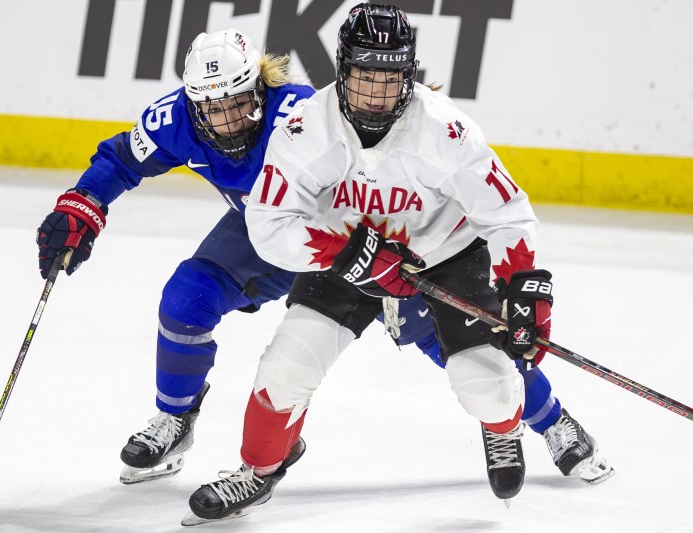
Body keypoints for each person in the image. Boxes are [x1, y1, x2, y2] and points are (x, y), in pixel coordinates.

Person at [34, 25, 609, 504]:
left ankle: (543, 418)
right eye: (212, 107)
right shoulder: (188, 120)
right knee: (192, 304)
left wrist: (494, 274)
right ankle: (179, 421)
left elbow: (468, 197)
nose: (227, 120)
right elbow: (125, 160)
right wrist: (82, 203)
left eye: (239, 101)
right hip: (299, 237)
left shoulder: (308, 114)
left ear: (260, 87)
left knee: (467, 354)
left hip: (381, 241)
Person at [182, 4, 600, 525]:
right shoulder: (305, 128)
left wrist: (523, 286)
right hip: (345, 254)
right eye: (364, 78)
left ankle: (502, 426)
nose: (376, 95)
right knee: (285, 367)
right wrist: (341, 252)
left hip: (445, 256)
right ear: (342, 71)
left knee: (485, 383)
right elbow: (267, 223)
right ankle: (258, 470)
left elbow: (506, 212)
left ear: (409, 75)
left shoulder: (446, 130)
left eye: (389, 79)